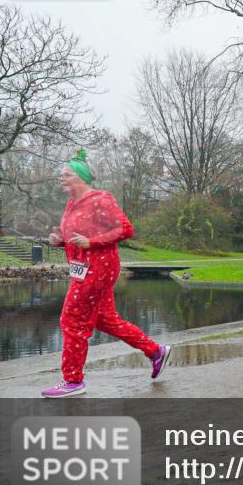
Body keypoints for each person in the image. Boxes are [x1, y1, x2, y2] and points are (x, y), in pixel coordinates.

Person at [42, 150, 170, 397]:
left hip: (99, 269)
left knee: (71, 321)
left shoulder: (102, 199)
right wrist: (61, 241)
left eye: (65, 174)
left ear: (81, 177)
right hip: (81, 269)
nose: (61, 178)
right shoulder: (71, 204)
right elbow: (77, 236)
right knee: (106, 320)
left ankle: (73, 381)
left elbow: (126, 229)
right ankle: (156, 352)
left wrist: (92, 242)